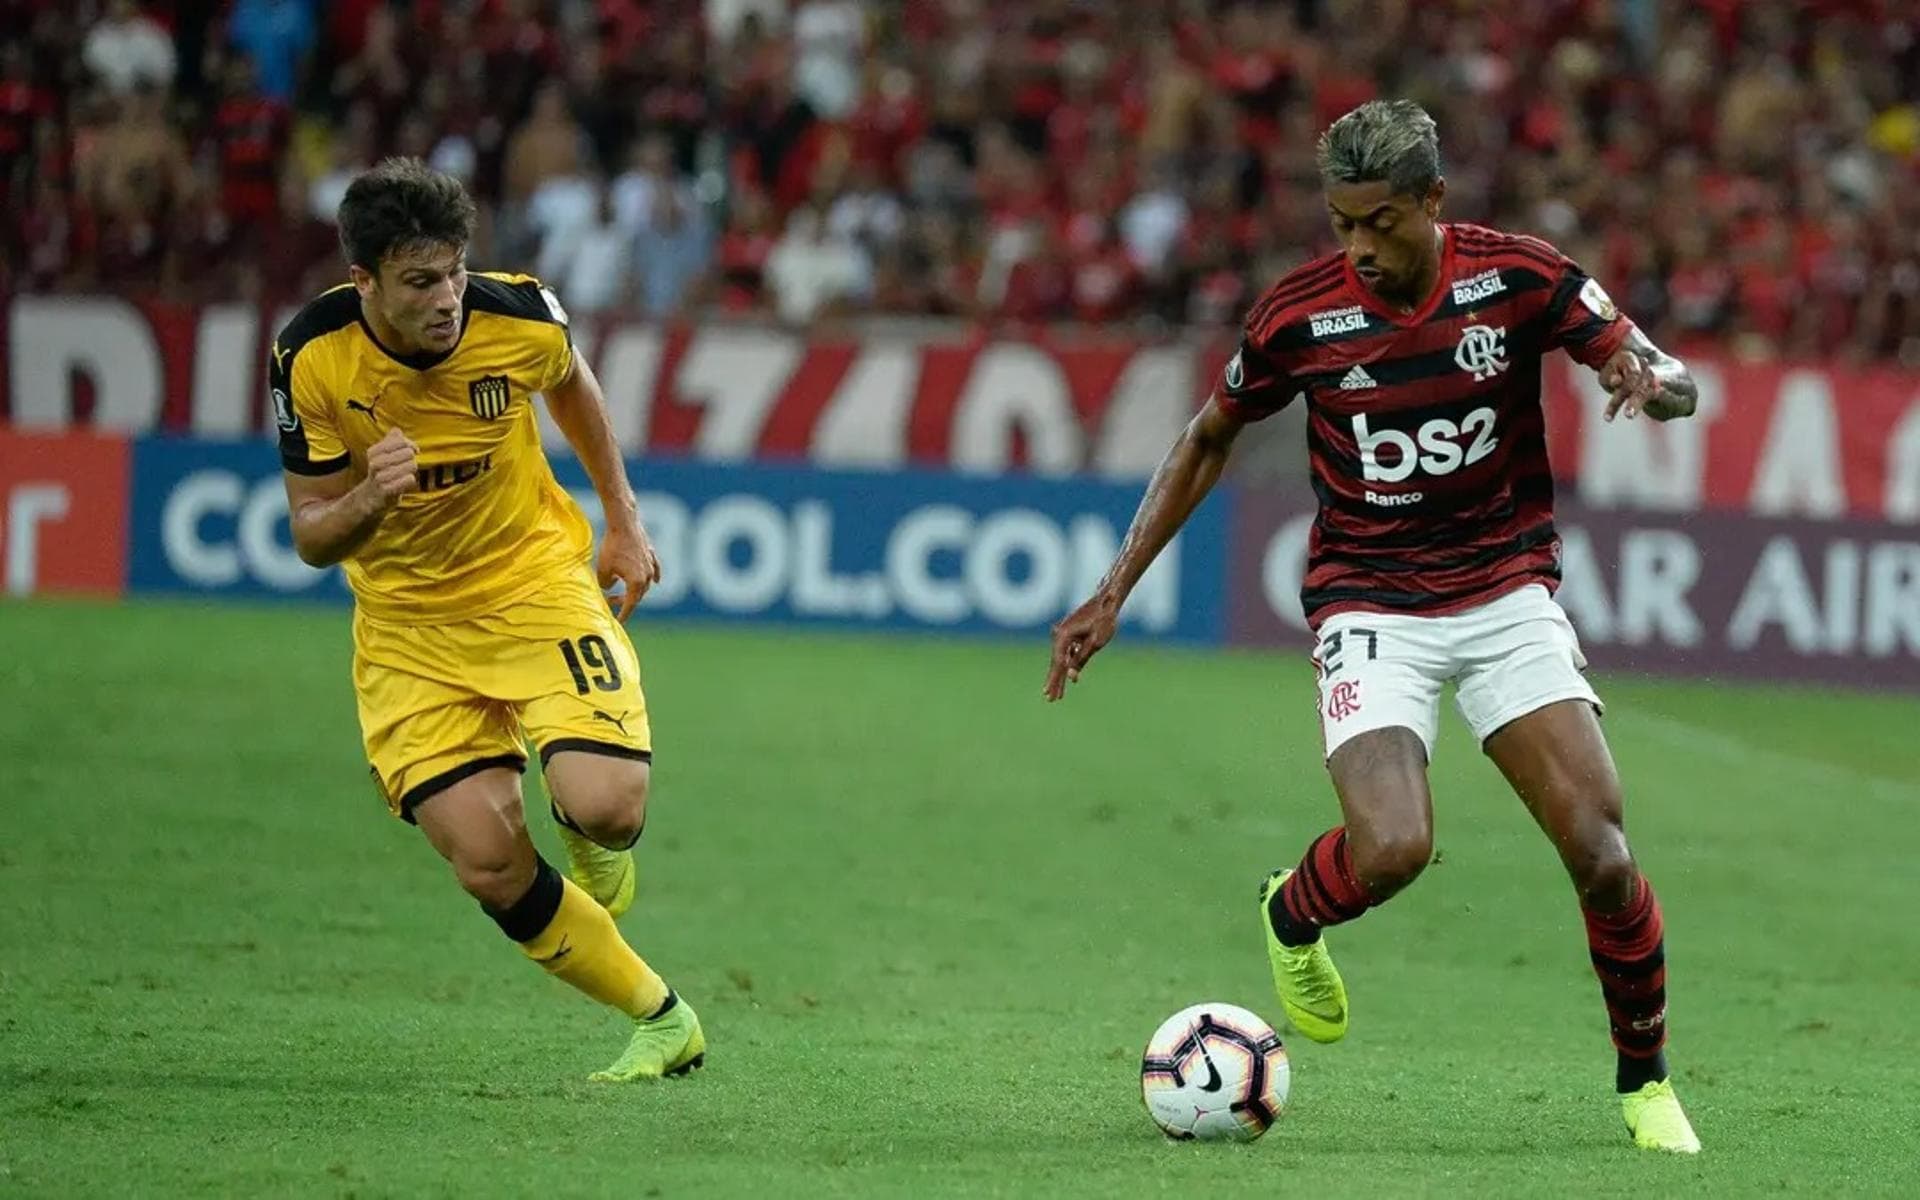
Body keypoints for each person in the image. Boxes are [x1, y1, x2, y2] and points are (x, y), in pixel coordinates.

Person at [1045, 100, 1701, 1153]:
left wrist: (1647, 380)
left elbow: (1675, 381)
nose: (1359, 246)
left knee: (1603, 853)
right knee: (1393, 848)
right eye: (1343, 222)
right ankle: (1293, 914)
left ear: (1434, 202)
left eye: (1380, 222)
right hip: (1370, 602)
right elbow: (1209, 437)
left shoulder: (1521, 275)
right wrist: (1114, 587)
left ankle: (1645, 1084)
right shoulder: (1300, 315)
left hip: (1504, 593)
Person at [271, 157, 703, 1081]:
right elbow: (311, 534)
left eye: (456, 271)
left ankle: (586, 831)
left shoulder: (518, 316)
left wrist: (623, 520)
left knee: (609, 807)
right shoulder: (310, 356)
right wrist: (367, 504)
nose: (448, 298)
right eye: (422, 282)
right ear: (366, 283)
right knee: (488, 864)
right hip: (407, 634)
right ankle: (661, 1020)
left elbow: (573, 382)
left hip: (531, 586)